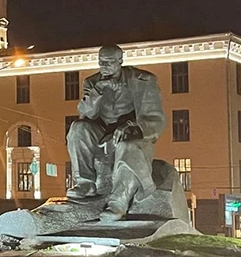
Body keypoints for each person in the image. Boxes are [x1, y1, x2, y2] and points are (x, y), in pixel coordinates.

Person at [65, 44, 166, 221]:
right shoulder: (92, 82)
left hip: (133, 135)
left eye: (109, 62)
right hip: (103, 134)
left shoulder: (144, 80)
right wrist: (98, 90)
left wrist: (130, 126)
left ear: (120, 61)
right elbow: (87, 113)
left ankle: (119, 202)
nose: (103, 66)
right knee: (78, 128)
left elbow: (155, 118)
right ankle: (85, 183)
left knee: (128, 146)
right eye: (100, 61)